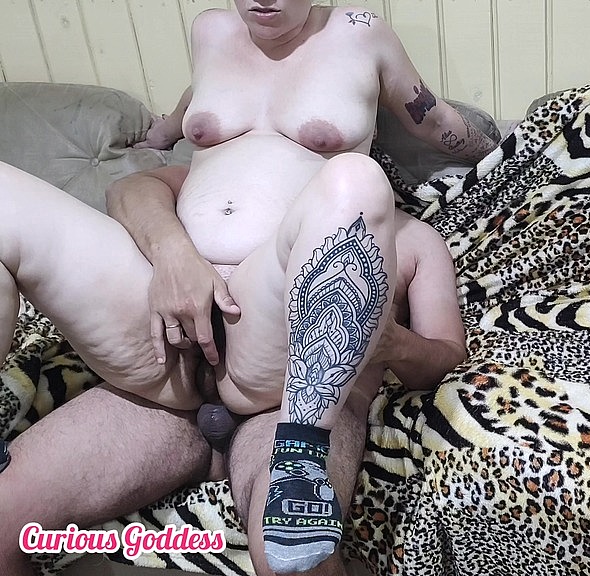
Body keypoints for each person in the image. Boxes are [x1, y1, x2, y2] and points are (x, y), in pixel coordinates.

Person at [0, 1, 496, 574]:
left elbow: (445, 356)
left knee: (292, 561)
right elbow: (132, 186)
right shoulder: (204, 104)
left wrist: (386, 342)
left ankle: (299, 463)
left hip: (286, 390)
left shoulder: (397, 229)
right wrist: (175, 256)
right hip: (163, 353)